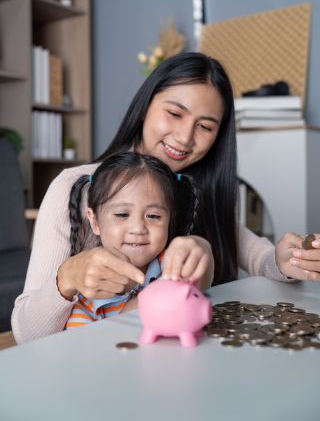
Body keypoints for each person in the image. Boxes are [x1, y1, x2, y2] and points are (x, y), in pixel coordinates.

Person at [12, 52, 320, 343]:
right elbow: (27, 334)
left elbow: (260, 258)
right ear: (145, 106)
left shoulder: (198, 191)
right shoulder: (76, 186)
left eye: (204, 126)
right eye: (174, 113)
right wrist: (66, 279)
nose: (185, 138)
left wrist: (286, 259)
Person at [66, 150, 200, 328]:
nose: (138, 228)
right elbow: (84, 349)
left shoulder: (174, 264)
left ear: (170, 218)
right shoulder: (88, 290)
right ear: (95, 221)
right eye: (122, 214)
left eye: (153, 216)